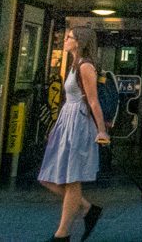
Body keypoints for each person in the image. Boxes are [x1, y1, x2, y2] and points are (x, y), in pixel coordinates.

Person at [38, 25, 110, 242]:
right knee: (48, 177)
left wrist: (102, 131)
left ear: (79, 42)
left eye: (68, 37)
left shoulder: (86, 66)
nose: (64, 40)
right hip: (67, 122)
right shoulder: (73, 65)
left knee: (72, 180)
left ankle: (62, 233)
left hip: (78, 124)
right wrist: (56, 127)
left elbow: (93, 101)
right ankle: (88, 208)